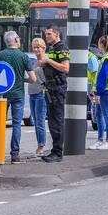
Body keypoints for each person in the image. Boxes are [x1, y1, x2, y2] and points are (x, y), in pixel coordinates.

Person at [0, 31, 36, 164]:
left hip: (2, 95)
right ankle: (15, 155)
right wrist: (22, 79)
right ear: (16, 40)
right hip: (18, 95)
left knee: (0, 124)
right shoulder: (23, 56)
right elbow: (33, 79)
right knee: (17, 124)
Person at [34, 25, 70, 163]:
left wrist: (48, 60)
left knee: (57, 121)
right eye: (46, 34)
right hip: (50, 88)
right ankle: (55, 151)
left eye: (49, 34)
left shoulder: (62, 47)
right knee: (52, 122)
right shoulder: (52, 49)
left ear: (57, 34)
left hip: (57, 88)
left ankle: (57, 153)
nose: (46, 36)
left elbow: (65, 68)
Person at [89, 35, 108, 150]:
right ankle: (100, 140)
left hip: (104, 92)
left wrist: (98, 93)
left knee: (106, 115)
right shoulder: (107, 58)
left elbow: (103, 77)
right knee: (99, 115)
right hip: (103, 91)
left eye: (98, 43)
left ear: (102, 45)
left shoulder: (106, 59)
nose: (98, 46)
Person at [28, 38, 49, 156]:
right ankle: (39, 144)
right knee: (36, 121)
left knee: (40, 121)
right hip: (32, 93)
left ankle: (41, 146)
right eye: (34, 47)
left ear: (44, 48)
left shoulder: (46, 61)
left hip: (41, 94)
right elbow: (32, 78)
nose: (36, 49)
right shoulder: (34, 62)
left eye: (38, 47)